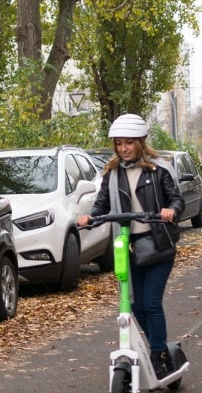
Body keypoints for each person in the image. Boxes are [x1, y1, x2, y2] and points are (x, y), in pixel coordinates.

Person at [77, 114, 185, 379]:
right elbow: (101, 204)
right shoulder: (112, 173)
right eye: (119, 143)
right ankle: (156, 348)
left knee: (151, 303)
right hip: (128, 245)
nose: (123, 148)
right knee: (135, 306)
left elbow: (177, 200)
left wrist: (171, 211)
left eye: (129, 143)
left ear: (141, 142)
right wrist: (89, 217)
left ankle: (159, 356)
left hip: (159, 244)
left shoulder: (159, 169)